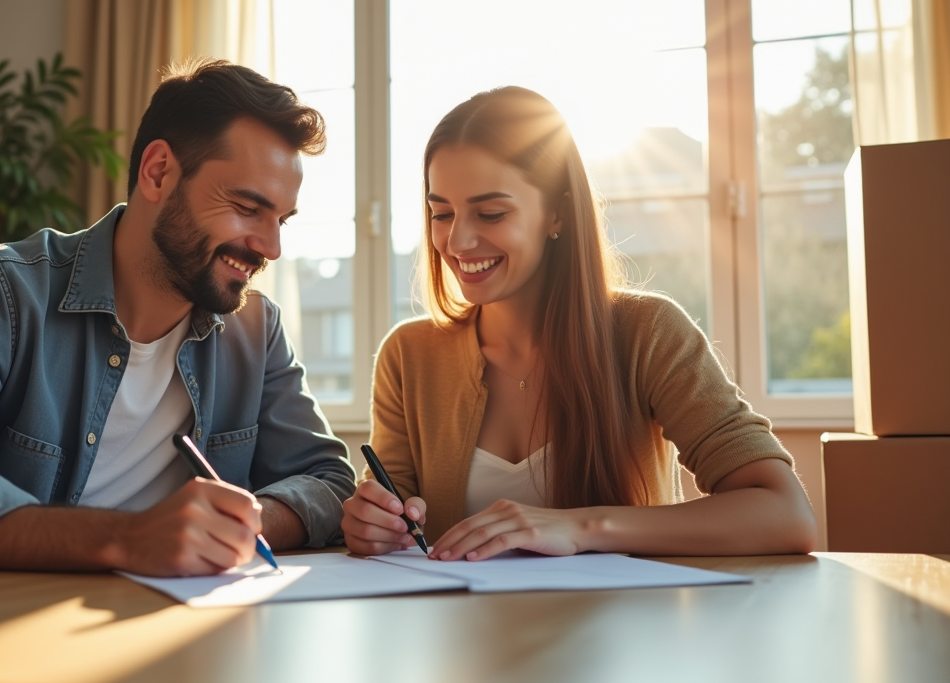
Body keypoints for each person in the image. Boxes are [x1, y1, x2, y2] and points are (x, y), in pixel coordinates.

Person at [0, 59, 355, 577]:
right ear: (158, 172)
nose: (270, 247)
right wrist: (128, 538)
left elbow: (328, 481)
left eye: (281, 220)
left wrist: (246, 521)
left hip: (168, 633)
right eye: (248, 208)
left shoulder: (254, 332)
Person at [342, 87, 817, 561]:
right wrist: (373, 524)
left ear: (558, 213)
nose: (458, 240)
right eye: (441, 213)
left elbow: (784, 514)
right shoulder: (408, 354)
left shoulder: (648, 333)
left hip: (624, 629)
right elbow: (391, 509)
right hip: (466, 633)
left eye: (491, 213)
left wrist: (580, 526)